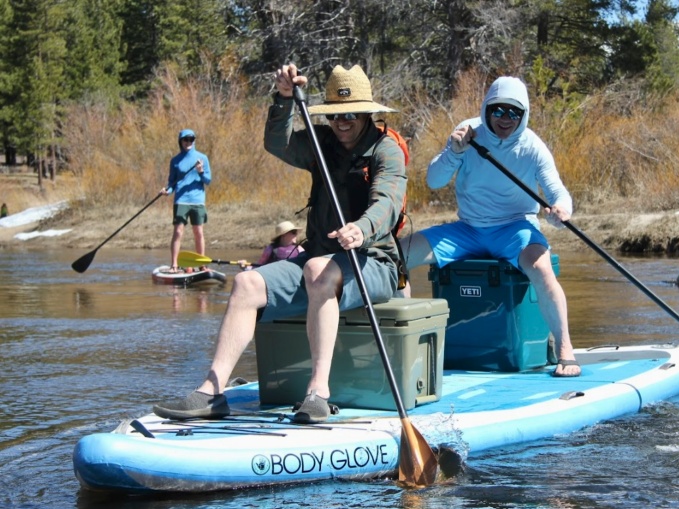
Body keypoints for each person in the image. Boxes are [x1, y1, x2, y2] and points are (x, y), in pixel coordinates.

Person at [152, 63, 406, 423]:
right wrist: (284, 99)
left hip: (373, 262)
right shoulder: (322, 143)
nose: (342, 122)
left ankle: (318, 393)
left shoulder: (386, 150)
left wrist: (362, 228)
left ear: (366, 113)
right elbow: (277, 143)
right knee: (246, 282)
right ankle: (211, 392)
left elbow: (388, 203)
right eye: (334, 115)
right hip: (320, 260)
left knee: (318, 269)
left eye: (350, 114)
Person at [399, 76, 581, 377]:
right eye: (498, 111)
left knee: (543, 269)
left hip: (515, 230)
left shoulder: (533, 147)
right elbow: (433, 181)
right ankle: (403, 346)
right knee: (397, 257)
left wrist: (561, 210)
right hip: (467, 230)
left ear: (523, 115)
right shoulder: (467, 133)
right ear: (487, 109)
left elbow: (558, 192)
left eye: (514, 113)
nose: (505, 119)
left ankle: (565, 350)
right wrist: (454, 151)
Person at [161, 129, 212, 273]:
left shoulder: (202, 158)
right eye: (185, 139)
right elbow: (172, 183)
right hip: (181, 201)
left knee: (198, 232)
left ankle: (202, 264)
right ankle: (174, 265)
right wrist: (167, 191)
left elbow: (208, 180)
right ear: (181, 142)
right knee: (178, 231)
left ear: (194, 141)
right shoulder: (175, 161)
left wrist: (201, 171)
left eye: (191, 139)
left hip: (197, 201)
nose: (188, 142)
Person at [240, 220, 305, 270]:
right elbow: (258, 265)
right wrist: (245, 266)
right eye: (293, 232)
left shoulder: (299, 249)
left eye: (296, 232)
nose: (296, 234)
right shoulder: (270, 249)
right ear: (283, 235)